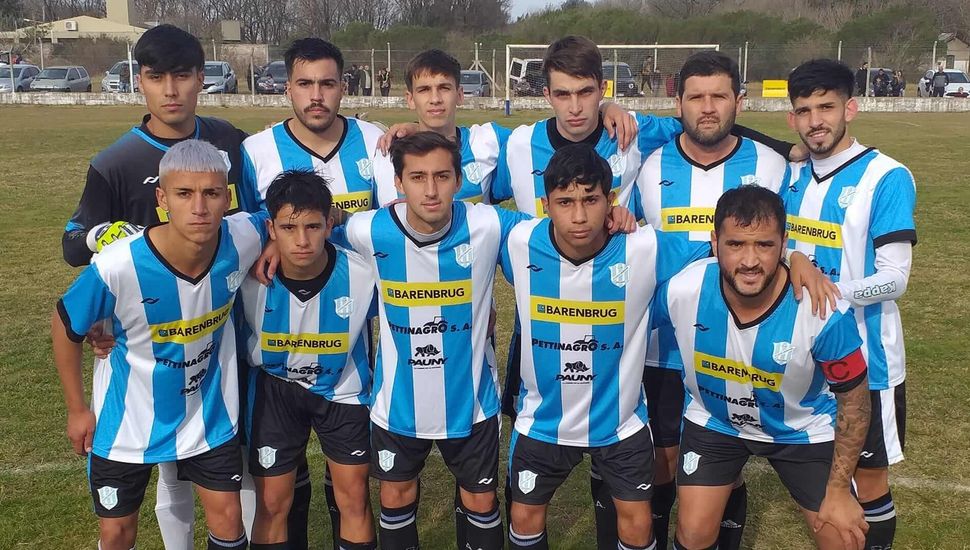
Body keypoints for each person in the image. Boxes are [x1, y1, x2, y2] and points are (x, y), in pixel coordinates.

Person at [60, 24, 262, 550]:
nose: (170, 90)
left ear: (202, 79)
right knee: (165, 460)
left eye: (182, 76)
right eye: (156, 77)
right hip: (145, 337)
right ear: (140, 83)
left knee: (219, 459)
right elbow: (72, 243)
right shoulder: (116, 161)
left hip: (221, 329)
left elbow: (260, 219)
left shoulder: (231, 143)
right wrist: (101, 237)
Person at [331, 132, 537, 550]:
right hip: (398, 403)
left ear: (459, 181)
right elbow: (307, 240)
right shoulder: (366, 229)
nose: (430, 190)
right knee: (395, 497)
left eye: (442, 176)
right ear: (399, 183)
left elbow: (561, 233)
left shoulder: (490, 224)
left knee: (481, 501)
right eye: (418, 177)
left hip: (471, 402)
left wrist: (615, 219)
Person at [627, 50, 791, 550]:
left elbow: (790, 240)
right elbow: (633, 244)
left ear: (738, 101)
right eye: (696, 97)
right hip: (661, 345)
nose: (708, 107)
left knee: (727, 462)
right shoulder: (649, 165)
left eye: (719, 95)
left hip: (734, 345)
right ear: (677, 102)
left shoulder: (770, 163)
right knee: (661, 460)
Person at [500, 143, 701, 550]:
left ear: (609, 201)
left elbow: (727, 249)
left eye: (590, 200)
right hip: (542, 421)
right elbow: (444, 216)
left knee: (637, 524)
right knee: (522, 517)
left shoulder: (645, 247)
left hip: (620, 423)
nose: (578, 215)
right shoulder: (518, 239)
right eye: (565, 201)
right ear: (545, 204)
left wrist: (794, 259)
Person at [654, 185, 872, 550]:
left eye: (764, 245)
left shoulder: (822, 312)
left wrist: (837, 490)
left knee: (842, 540)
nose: (750, 261)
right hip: (715, 423)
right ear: (714, 242)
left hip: (800, 431)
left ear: (784, 244)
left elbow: (856, 401)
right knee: (692, 534)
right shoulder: (683, 289)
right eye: (736, 244)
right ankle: (724, 484)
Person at [241, 37, 385, 550]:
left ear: (343, 86)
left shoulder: (377, 141)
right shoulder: (255, 151)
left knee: (352, 492)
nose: (317, 95)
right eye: (305, 84)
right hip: (278, 332)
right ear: (288, 89)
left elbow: (399, 219)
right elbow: (239, 227)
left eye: (327, 83)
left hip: (349, 331)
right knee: (276, 498)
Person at [785, 58, 917, 550]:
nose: (816, 120)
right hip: (802, 355)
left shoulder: (887, 177)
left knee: (870, 482)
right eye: (805, 110)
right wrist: (793, 256)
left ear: (851, 109)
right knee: (824, 481)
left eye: (827, 107)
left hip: (867, 360)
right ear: (792, 119)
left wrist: (827, 288)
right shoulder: (792, 173)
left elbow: (895, 279)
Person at [240, 169, 377, 550]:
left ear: (330, 223)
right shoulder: (245, 275)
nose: (302, 240)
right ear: (270, 228)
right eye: (288, 227)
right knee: (272, 504)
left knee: (353, 499)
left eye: (313, 226)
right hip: (275, 393)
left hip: (343, 391)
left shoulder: (364, 273)